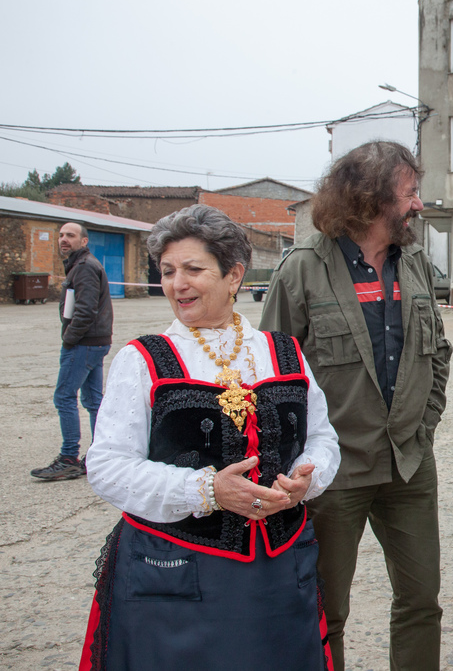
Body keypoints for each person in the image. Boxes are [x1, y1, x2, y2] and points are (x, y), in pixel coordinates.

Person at [80, 205, 341, 670]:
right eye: (167, 271)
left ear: (234, 275)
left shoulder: (284, 352)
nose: (177, 283)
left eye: (193, 269)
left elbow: (322, 437)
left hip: (279, 574)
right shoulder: (142, 360)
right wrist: (206, 490)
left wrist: (308, 477)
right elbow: (107, 466)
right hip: (178, 576)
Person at [260, 141, 452, 671]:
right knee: (326, 610)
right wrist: (295, 464)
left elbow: (438, 352)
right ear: (369, 199)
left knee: (420, 603)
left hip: (409, 464)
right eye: (409, 193)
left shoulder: (413, 262)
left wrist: (425, 424)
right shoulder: (301, 270)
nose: (418, 204)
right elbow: (271, 381)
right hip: (331, 473)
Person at [31, 222, 113, 481]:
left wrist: (70, 339)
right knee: (93, 401)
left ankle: (69, 458)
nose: (64, 239)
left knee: (64, 396)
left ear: (84, 241)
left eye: (71, 235)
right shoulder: (80, 265)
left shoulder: (85, 267)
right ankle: (101, 455)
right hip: (94, 342)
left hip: (84, 343)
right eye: (61, 235)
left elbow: (85, 309)